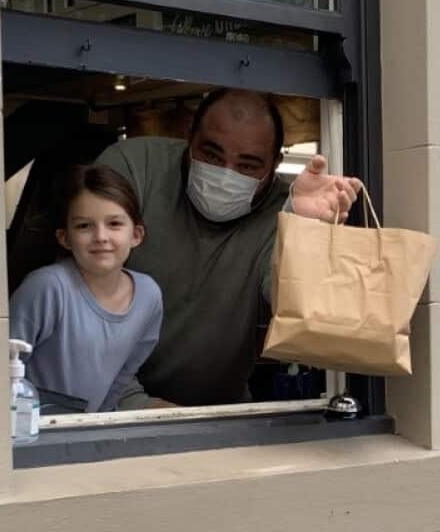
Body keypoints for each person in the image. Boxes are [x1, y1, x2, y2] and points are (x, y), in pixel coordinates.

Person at [98, 88, 362, 407]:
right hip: (106, 410)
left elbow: (300, 316)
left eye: (248, 166)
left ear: (274, 165)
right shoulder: (135, 166)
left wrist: (303, 231)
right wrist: (136, 406)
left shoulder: (284, 210)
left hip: (220, 414)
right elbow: (81, 300)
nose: (226, 174)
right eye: (212, 155)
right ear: (189, 136)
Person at [8, 165, 164, 413]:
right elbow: (2, 371)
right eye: (84, 226)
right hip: (30, 432)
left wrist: (96, 426)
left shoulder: (149, 295)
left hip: (88, 434)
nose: (101, 236)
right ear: (64, 238)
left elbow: (124, 374)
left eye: (114, 223)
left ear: (136, 234)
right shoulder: (47, 288)